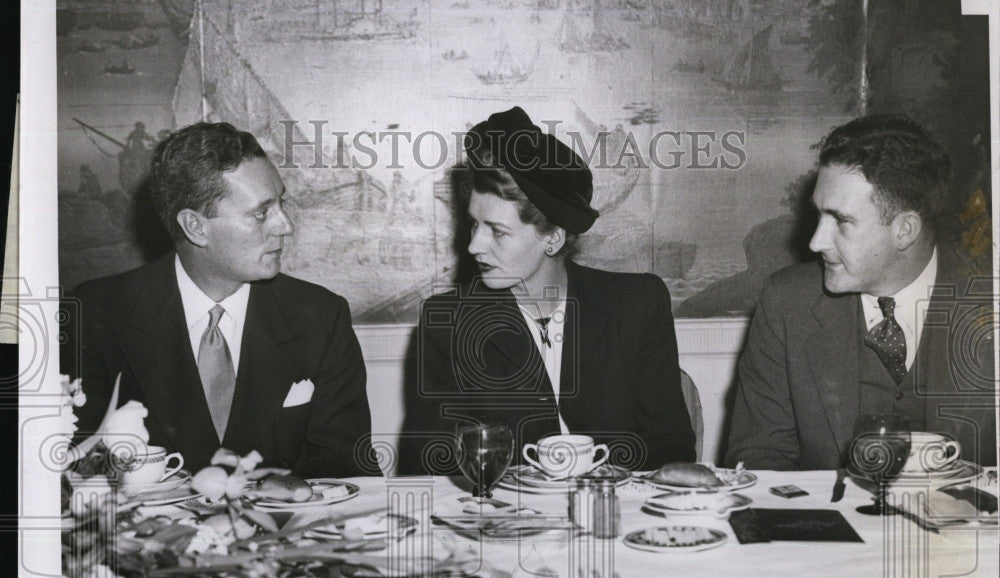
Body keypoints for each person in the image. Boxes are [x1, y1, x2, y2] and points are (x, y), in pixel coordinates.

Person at [398, 106, 695, 475]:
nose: (474, 245)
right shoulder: (447, 324)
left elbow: (670, 448)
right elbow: (428, 466)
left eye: (497, 231)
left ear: (552, 239)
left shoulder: (637, 305)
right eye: (474, 225)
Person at [64, 122, 372, 477]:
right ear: (195, 227)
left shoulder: (320, 317)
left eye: (281, 204)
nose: (285, 225)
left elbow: (350, 476)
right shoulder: (94, 314)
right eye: (261, 213)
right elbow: (75, 478)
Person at [724, 114, 996, 470]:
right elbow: (759, 460)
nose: (816, 241)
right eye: (819, 215)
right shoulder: (787, 303)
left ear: (905, 230)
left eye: (841, 220)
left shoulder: (988, 304)